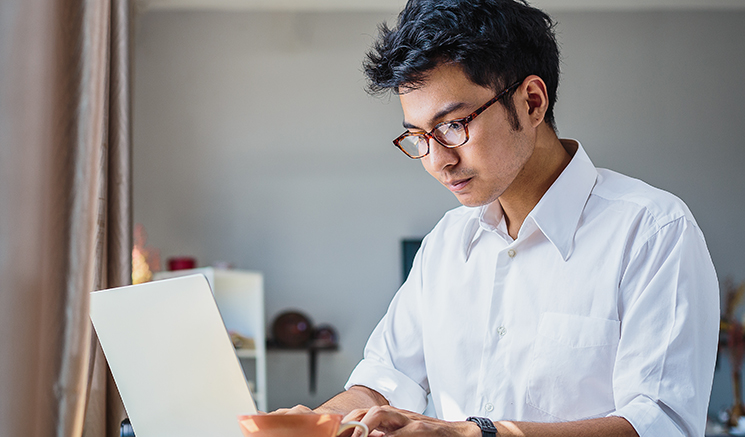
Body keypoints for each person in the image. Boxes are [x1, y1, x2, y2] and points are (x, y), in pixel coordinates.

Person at [276, 0, 719, 435]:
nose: (437, 161)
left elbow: (662, 424)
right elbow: (385, 380)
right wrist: (318, 421)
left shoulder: (653, 232)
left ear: (531, 102)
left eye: (453, 125)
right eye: (417, 136)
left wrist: (479, 433)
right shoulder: (446, 244)